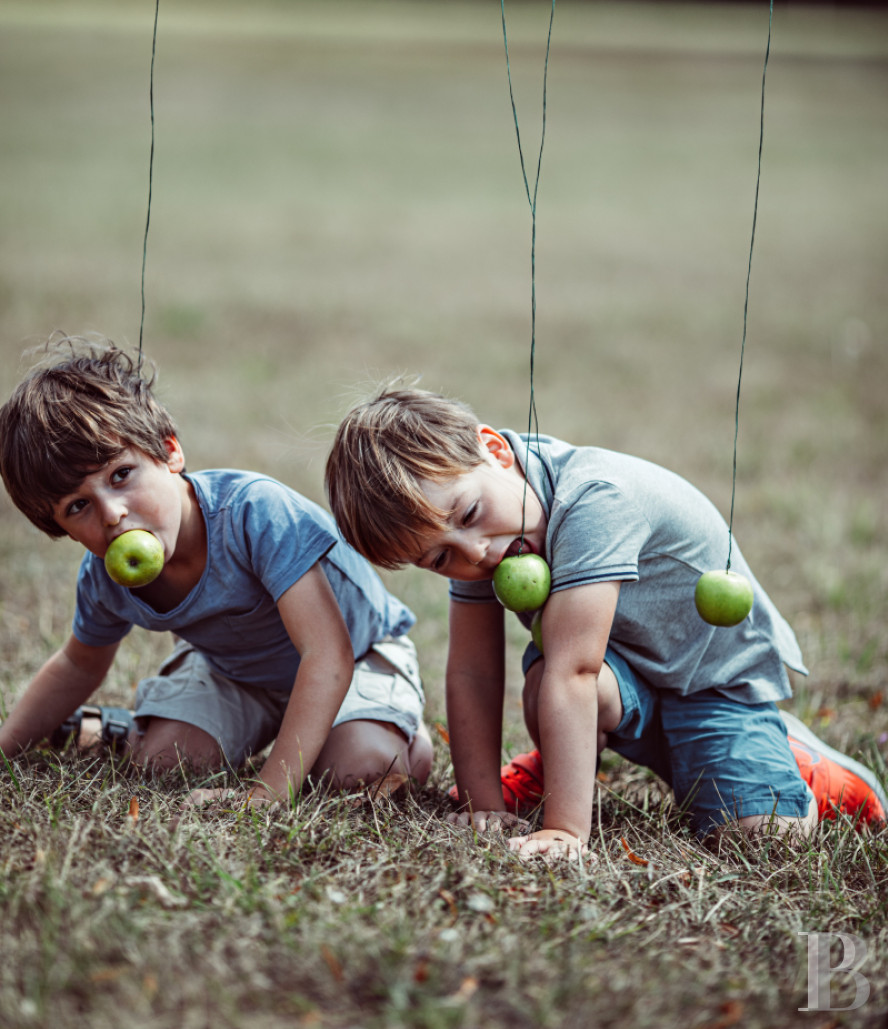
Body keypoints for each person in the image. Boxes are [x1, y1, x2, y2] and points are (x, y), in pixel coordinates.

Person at [325, 386, 887, 857]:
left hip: (714, 686)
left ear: (493, 449)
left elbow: (576, 672)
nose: (476, 553)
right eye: (439, 558)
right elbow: (473, 672)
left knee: (760, 838)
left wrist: (565, 832)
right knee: (546, 680)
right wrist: (483, 806)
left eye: (470, 514)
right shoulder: (478, 531)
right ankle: (566, 760)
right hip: (624, 676)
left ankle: (806, 765)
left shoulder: (593, 502)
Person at [0, 340, 432, 807]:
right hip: (234, 670)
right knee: (163, 762)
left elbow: (328, 655)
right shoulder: (105, 577)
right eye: (78, 506)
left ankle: (398, 730)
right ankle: (119, 727)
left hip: (356, 655)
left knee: (358, 768)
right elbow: (78, 664)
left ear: (169, 452)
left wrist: (268, 793)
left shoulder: (255, 514)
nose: (112, 514)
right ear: (59, 528)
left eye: (121, 475)